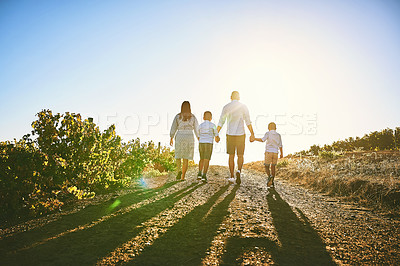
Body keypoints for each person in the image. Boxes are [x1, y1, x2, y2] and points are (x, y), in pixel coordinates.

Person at [217, 91, 255, 185]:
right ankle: (238, 171)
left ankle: (232, 176)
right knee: (240, 155)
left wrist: (216, 133)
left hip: (230, 134)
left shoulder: (226, 107)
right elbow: (248, 121)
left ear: (230, 97)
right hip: (241, 134)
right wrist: (252, 134)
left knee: (231, 155)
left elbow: (221, 121)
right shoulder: (243, 106)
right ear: (239, 97)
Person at [170, 101, 199, 181]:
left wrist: (171, 137)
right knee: (186, 158)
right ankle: (183, 176)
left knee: (178, 156)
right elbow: (197, 128)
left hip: (180, 135)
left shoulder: (178, 116)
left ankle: (179, 170)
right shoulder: (192, 117)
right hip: (189, 136)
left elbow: (173, 127)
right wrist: (199, 137)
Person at [252, 122, 283, 188]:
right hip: (275, 152)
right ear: (275, 128)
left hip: (268, 151)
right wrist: (281, 154)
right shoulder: (278, 135)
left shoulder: (268, 133)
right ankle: (272, 181)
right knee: (273, 167)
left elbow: (262, 140)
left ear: (269, 128)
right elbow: (280, 145)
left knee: (266, 166)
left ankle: (269, 177)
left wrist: (254, 139)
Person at [197, 111, 220, 182]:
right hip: (209, 143)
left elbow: (198, 135)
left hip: (201, 143)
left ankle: (199, 173)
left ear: (203, 117)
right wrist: (217, 139)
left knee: (201, 158)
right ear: (211, 118)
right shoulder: (213, 125)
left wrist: (201, 139)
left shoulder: (200, 125)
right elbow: (216, 135)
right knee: (207, 159)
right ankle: (204, 175)